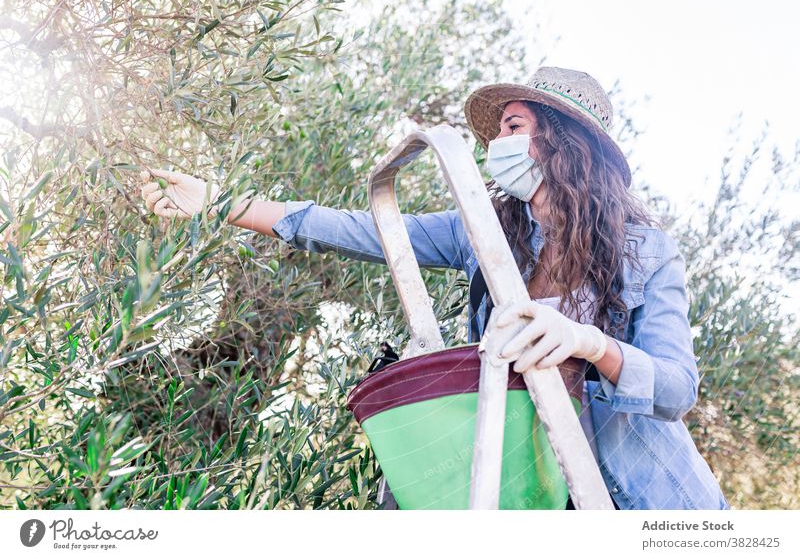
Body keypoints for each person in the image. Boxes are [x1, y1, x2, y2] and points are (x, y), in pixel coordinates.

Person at [140, 66, 730, 511]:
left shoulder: (647, 252)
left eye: (513, 127)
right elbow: (357, 230)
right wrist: (221, 204)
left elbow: (677, 388)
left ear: (564, 142)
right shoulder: (485, 231)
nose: (495, 144)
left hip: (637, 499)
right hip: (528, 491)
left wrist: (587, 343)